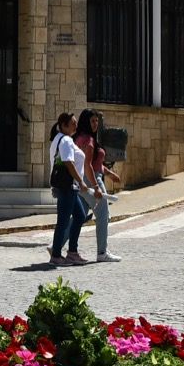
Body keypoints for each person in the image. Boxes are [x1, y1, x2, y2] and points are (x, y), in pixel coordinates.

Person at [74, 109, 124, 263]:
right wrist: (96, 187)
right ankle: (102, 252)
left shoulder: (79, 138)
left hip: (83, 180)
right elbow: (89, 165)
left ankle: (55, 246)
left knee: (79, 216)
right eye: (93, 121)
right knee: (103, 215)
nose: (96, 124)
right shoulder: (88, 140)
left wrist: (109, 173)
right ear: (86, 122)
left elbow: (95, 164)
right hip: (92, 180)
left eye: (97, 121)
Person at [46, 113, 90, 268]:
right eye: (72, 123)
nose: (75, 126)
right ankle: (56, 255)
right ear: (64, 125)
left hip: (68, 187)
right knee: (63, 221)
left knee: (80, 215)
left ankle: (72, 252)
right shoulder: (65, 141)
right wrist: (80, 181)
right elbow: (68, 163)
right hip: (68, 186)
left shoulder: (59, 139)